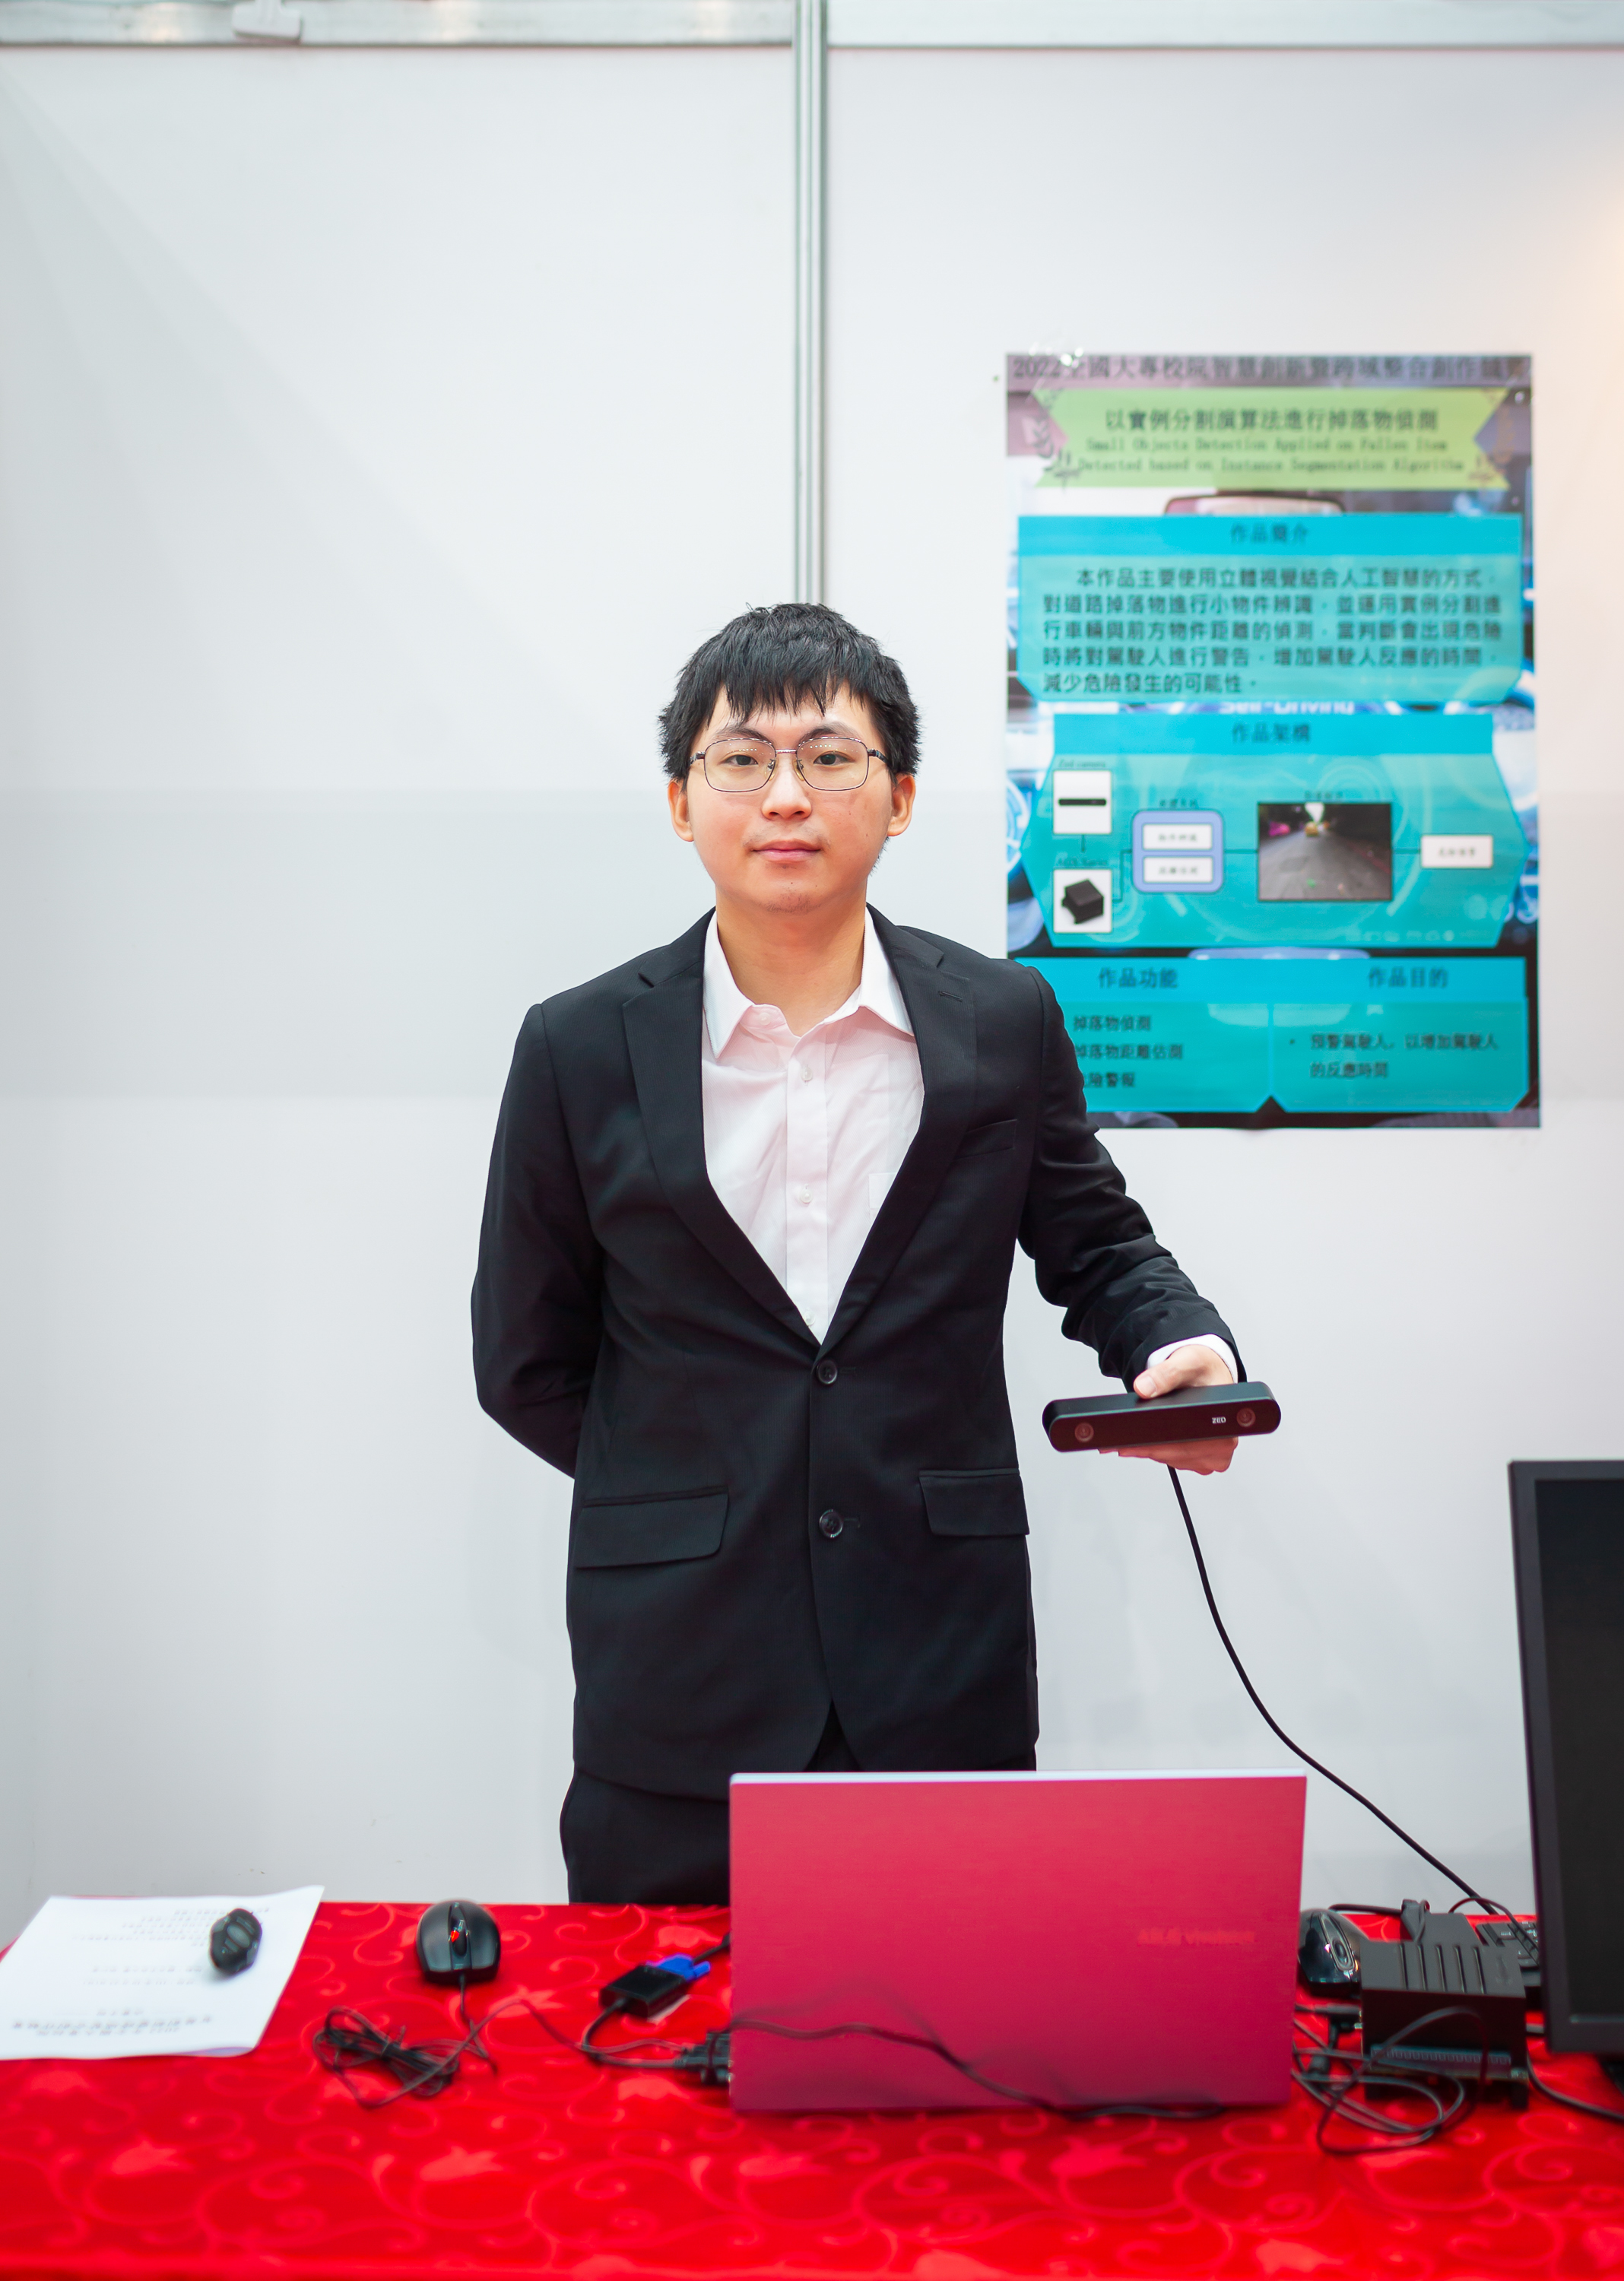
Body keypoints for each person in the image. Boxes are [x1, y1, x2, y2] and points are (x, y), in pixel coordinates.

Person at [472, 604, 1244, 1905]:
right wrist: (690, 1488)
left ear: (900, 799)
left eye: (831, 758)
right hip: (677, 1677)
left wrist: (1183, 1347)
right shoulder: (578, 1046)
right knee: (654, 2032)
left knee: (953, 2016)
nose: (786, 796)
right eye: (741, 760)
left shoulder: (1000, 1020)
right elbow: (525, 1359)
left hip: (939, 1655)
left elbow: (1099, 1244)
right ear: (682, 802)